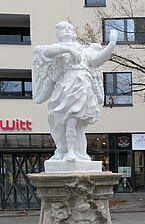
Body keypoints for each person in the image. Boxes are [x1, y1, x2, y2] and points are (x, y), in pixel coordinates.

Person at [33, 21, 117, 162]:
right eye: (62, 28)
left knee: (73, 120)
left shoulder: (84, 50)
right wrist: (68, 50)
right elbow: (43, 52)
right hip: (64, 87)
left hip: (80, 86)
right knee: (58, 122)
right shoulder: (56, 48)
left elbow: (97, 60)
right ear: (58, 33)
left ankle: (72, 152)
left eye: (69, 28)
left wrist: (111, 44)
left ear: (74, 33)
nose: (66, 30)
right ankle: (63, 150)